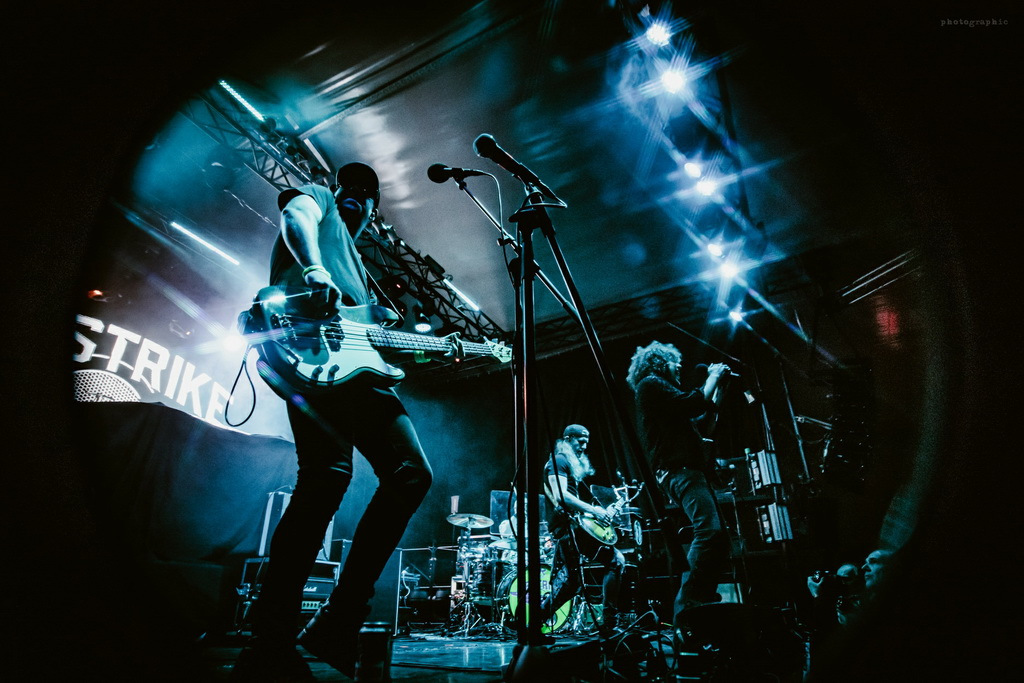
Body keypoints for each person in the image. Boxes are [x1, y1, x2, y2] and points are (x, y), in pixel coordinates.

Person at [233, 163, 455, 682]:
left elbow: (372, 341)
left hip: (356, 373)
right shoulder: (321, 203)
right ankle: (270, 636)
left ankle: (340, 618)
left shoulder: (358, 267)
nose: (357, 194)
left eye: (368, 193)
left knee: (411, 475)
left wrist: (435, 349)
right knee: (326, 478)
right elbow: (296, 213)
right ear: (337, 190)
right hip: (306, 352)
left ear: (375, 211)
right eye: (349, 186)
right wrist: (314, 269)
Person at [625, 341, 732, 632]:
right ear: (659, 363)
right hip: (679, 471)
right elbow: (693, 403)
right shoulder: (650, 384)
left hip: (688, 471)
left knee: (719, 540)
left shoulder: (666, 398)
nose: (680, 367)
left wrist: (718, 390)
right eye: (675, 362)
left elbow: (703, 420)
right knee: (709, 531)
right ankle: (686, 611)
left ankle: (701, 603)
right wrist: (712, 377)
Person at [540, 424, 627, 632]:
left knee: (572, 584)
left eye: (586, 442)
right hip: (566, 528)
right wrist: (594, 510)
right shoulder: (558, 461)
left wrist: (597, 513)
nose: (584, 446)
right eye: (580, 441)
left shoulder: (567, 464)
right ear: (567, 439)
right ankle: (609, 623)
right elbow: (561, 496)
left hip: (573, 526)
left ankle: (533, 622)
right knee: (615, 561)